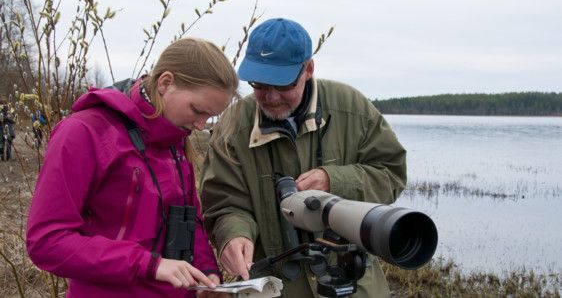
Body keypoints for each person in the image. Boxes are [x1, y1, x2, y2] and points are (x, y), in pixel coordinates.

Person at [200, 18, 407, 297]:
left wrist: (334, 181)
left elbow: (391, 174)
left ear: (308, 69)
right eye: (259, 85)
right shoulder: (233, 125)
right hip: (273, 288)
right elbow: (224, 202)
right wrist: (233, 235)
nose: (270, 97)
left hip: (353, 286)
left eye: (282, 85)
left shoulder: (352, 109)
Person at [26, 38, 238, 297]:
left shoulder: (175, 142)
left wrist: (207, 272)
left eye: (210, 117)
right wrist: (149, 264)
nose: (201, 126)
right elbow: (48, 241)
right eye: (197, 110)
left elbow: (186, 216)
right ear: (165, 83)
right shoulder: (84, 132)